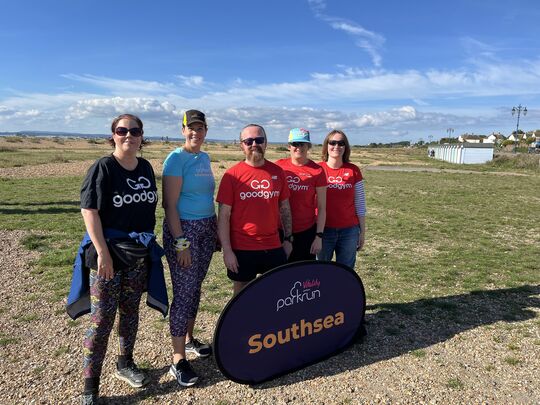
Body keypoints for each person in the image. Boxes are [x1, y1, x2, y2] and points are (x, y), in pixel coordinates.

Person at [67, 114, 168, 405]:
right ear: (113, 134)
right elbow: (90, 211)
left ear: (141, 136)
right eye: (122, 130)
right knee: (101, 321)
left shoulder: (146, 167)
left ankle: (125, 363)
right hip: (107, 257)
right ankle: (90, 387)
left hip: (136, 255)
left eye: (134, 131)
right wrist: (102, 252)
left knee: (130, 313)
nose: (128, 135)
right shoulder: (103, 167)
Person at [162, 110, 217, 387]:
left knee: (195, 287)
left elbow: (207, 196)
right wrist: (180, 242)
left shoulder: (204, 158)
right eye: (190, 128)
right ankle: (178, 359)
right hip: (184, 231)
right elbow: (169, 205)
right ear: (183, 130)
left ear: (206, 130)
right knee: (183, 292)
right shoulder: (175, 159)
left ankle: (189, 338)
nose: (195, 132)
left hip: (207, 229)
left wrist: (216, 230)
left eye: (200, 127)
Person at [217, 124, 292, 295]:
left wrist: (288, 239)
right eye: (248, 140)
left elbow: (285, 208)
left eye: (259, 140)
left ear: (266, 143)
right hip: (242, 247)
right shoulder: (232, 175)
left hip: (273, 245)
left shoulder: (278, 172)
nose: (254, 144)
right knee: (241, 295)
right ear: (241, 145)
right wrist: (227, 251)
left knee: (277, 294)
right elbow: (224, 216)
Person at [275, 128, 327, 261]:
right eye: (295, 144)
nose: (298, 147)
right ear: (289, 146)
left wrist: (318, 237)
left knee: (303, 275)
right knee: (279, 274)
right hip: (279, 230)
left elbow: (322, 207)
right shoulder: (279, 167)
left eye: (302, 144)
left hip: (305, 231)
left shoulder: (317, 171)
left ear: (308, 146)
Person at [317, 129, 366, 269]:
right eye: (332, 142)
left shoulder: (353, 170)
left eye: (341, 143)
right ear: (327, 145)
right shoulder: (317, 169)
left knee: (346, 272)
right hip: (323, 230)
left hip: (349, 231)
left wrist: (362, 232)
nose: (336, 146)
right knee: (320, 271)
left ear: (346, 147)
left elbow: (360, 203)